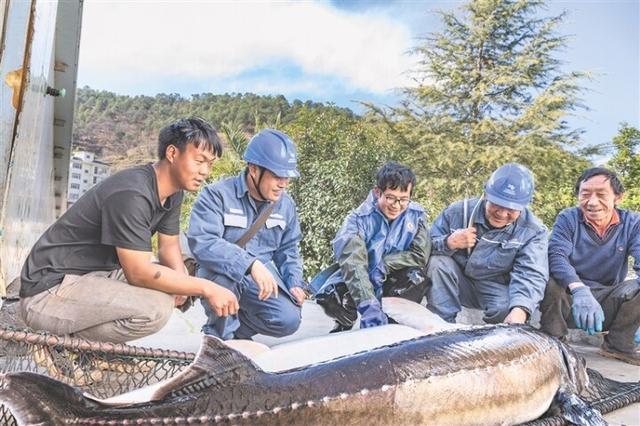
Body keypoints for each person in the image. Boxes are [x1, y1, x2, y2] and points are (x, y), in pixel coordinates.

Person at [19, 117, 239, 344]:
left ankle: (79, 345)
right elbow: (139, 272)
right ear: (172, 154)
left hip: (93, 275)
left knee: (172, 283)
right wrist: (206, 287)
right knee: (156, 309)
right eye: (200, 161)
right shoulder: (132, 193)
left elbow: (169, 246)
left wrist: (182, 285)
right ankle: (62, 346)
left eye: (210, 164)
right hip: (47, 291)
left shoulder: (173, 192)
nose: (205, 171)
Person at [188, 129, 305, 340]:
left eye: (287, 177)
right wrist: (249, 265)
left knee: (289, 319)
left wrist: (294, 281)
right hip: (219, 274)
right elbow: (204, 242)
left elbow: (288, 249)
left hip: (257, 281)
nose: (283, 184)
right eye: (277, 176)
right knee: (227, 280)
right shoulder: (216, 195)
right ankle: (219, 341)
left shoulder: (285, 205)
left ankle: (237, 332)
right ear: (253, 169)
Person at [311, 162, 431, 331]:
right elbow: (354, 265)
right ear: (377, 192)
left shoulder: (417, 216)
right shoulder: (356, 220)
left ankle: (393, 326)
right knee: (334, 299)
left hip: (392, 282)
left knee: (416, 278)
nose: (396, 206)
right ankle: (348, 328)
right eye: (390, 197)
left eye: (403, 199)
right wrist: (368, 305)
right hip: (360, 281)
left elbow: (420, 255)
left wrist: (386, 265)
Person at [540, 167, 640, 365]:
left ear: (618, 197)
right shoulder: (568, 218)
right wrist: (579, 290)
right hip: (569, 299)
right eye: (585, 194)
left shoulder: (633, 222)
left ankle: (618, 345)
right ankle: (555, 343)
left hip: (608, 300)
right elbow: (557, 256)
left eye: (601, 195)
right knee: (550, 281)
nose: (592, 202)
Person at [426, 163, 548, 325]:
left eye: (511, 209)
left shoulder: (534, 231)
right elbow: (423, 249)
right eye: (497, 204)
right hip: (457, 282)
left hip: (496, 288)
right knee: (437, 263)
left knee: (509, 310)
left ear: (524, 206)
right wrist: (448, 242)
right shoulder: (456, 212)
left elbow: (531, 273)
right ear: (485, 195)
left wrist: (521, 308)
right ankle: (441, 328)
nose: (502, 214)